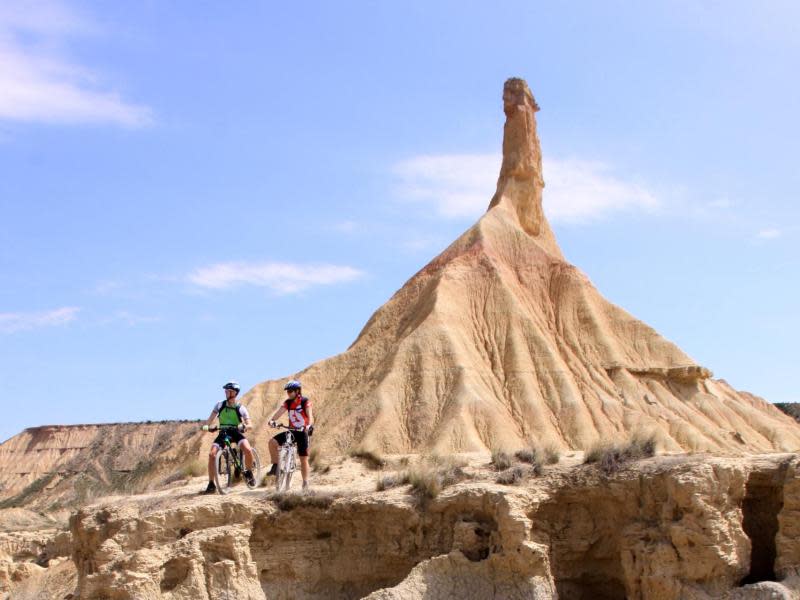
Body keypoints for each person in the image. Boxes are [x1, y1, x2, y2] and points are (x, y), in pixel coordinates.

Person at [199, 380, 256, 494]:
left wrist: (244, 426)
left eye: (229, 391)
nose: (226, 393)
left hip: (236, 432)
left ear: (235, 393)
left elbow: (250, 425)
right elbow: (209, 420)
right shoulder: (220, 405)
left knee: (248, 450)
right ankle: (211, 484)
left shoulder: (240, 408)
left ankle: (249, 472)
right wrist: (207, 427)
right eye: (226, 391)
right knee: (212, 455)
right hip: (223, 432)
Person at [267, 380, 314, 490]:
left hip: (303, 432)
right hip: (292, 431)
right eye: (287, 391)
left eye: (290, 391)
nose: (288, 393)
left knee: (303, 459)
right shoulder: (288, 402)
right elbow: (280, 412)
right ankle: (275, 465)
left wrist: (309, 425)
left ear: (297, 391)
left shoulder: (305, 401)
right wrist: (272, 420)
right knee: (272, 442)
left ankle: (305, 483)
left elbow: (310, 416)